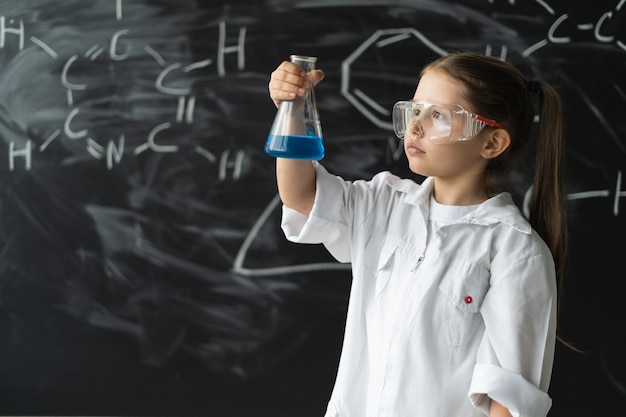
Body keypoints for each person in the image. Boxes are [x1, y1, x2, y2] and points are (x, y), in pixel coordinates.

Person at [267, 51, 567, 417]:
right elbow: (302, 197)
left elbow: (507, 395)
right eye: (415, 110)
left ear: (491, 143)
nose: (416, 126)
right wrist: (292, 110)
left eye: (438, 115)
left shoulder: (513, 249)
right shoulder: (384, 203)